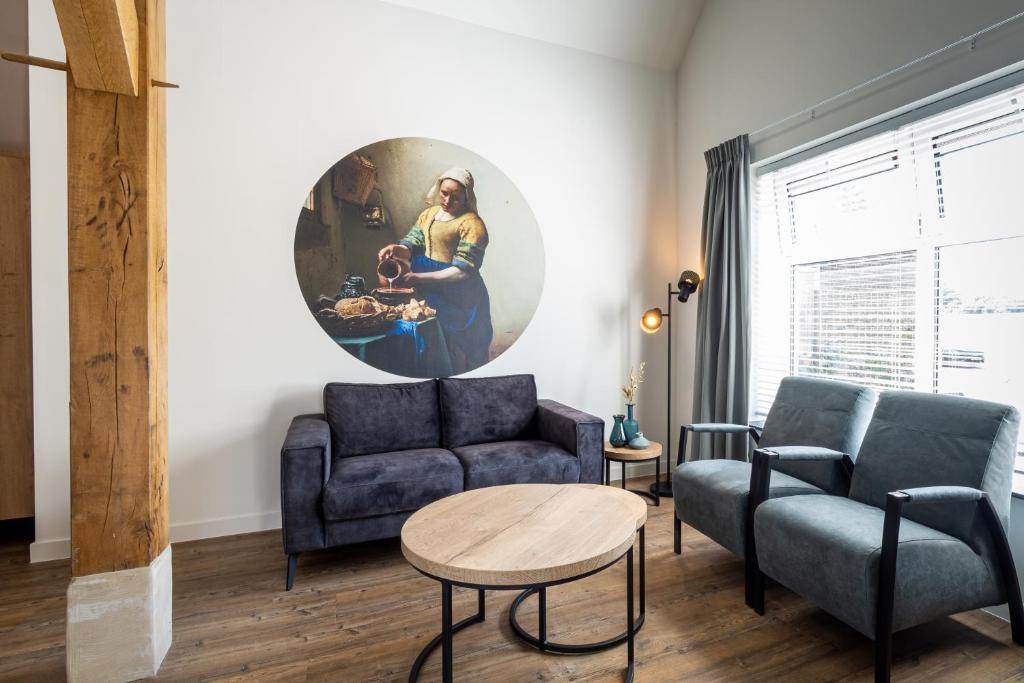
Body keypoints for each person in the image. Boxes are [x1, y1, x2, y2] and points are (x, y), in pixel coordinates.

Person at [378, 167, 493, 372]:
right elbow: (411, 245)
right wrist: (395, 248)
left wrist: (418, 277)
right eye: (444, 193)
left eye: (455, 197)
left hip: (461, 293)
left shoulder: (473, 224)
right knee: (437, 341)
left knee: (472, 345)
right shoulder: (429, 214)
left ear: (466, 198)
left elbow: (462, 271)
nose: (447, 201)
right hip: (432, 290)